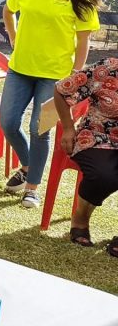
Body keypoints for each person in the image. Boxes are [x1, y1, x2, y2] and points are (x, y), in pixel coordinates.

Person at [1, 0, 99, 208]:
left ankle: (31, 186)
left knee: (39, 130)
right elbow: (8, 11)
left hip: (55, 76)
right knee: (8, 122)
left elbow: (84, 40)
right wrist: (13, 37)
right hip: (19, 69)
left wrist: (75, 76)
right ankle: (28, 166)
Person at [55, 58, 118, 254]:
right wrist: (67, 128)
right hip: (99, 135)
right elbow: (61, 90)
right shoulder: (107, 68)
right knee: (104, 175)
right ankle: (81, 218)